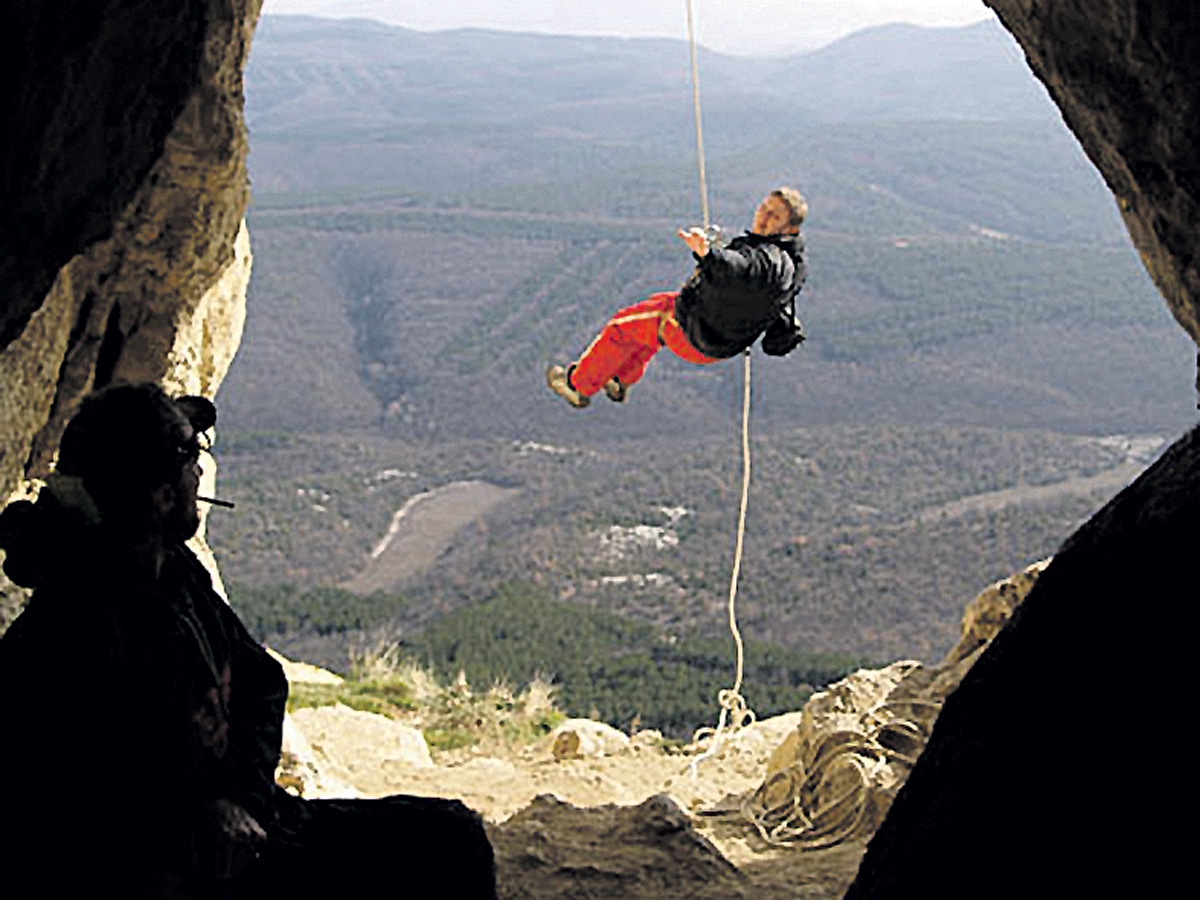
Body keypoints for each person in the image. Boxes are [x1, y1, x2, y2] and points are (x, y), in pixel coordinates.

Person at [0, 382, 497, 899]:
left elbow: (260, 681)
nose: (200, 473)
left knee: (448, 833)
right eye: (189, 460)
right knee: (443, 849)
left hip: (241, 826)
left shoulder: (174, 574)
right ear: (161, 495)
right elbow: (74, 817)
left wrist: (238, 797)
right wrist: (204, 821)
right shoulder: (74, 631)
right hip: (180, 864)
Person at [546, 186, 808, 408]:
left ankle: (578, 386)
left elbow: (738, 267)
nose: (763, 216)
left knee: (622, 327)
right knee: (649, 320)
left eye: (774, 216)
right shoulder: (794, 264)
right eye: (764, 208)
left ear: (790, 229)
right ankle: (619, 378)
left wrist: (708, 254)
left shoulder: (765, 261)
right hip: (723, 340)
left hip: (694, 334)